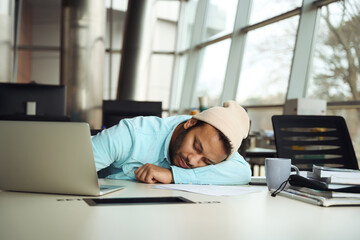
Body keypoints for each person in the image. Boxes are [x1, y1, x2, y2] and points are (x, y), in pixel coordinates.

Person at [92, 100, 251, 185]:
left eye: (207, 161)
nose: (193, 160)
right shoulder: (132, 134)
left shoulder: (214, 147)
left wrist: (173, 175)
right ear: (190, 123)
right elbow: (74, 167)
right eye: (196, 146)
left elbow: (243, 172)